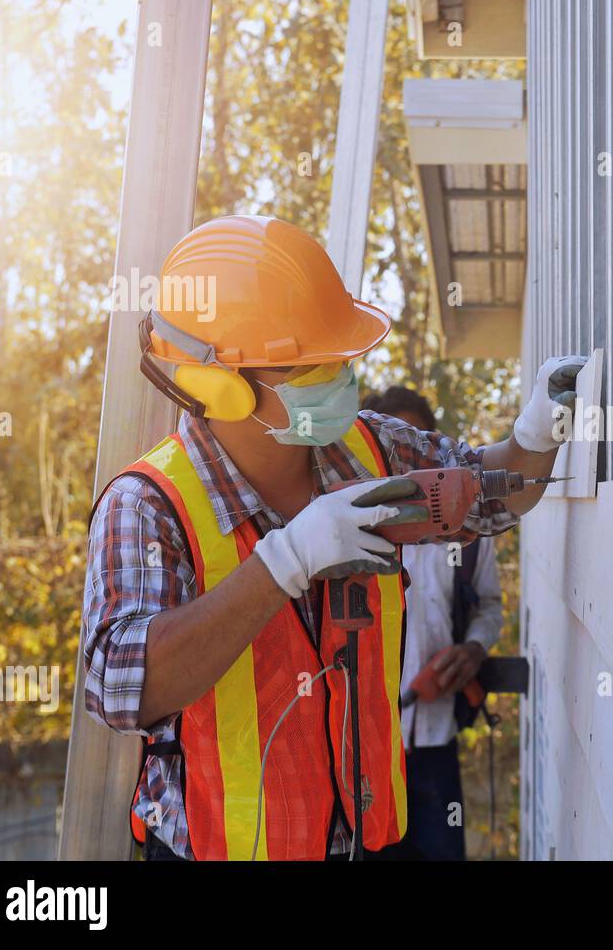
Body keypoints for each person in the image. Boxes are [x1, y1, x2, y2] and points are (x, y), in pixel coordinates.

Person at [81, 215, 585, 860]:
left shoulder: (368, 448)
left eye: (338, 356)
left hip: (368, 842)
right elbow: (121, 690)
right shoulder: (150, 505)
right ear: (219, 383)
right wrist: (283, 563)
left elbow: (488, 498)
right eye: (308, 364)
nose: (339, 375)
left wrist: (534, 439)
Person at [361, 386, 502, 861]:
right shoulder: (349, 531)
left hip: (436, 742)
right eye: (396, 456)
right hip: (365, 751)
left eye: (418, 449)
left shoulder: (469, 531)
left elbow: (488, 605)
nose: (411, 471)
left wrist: (474, 649)